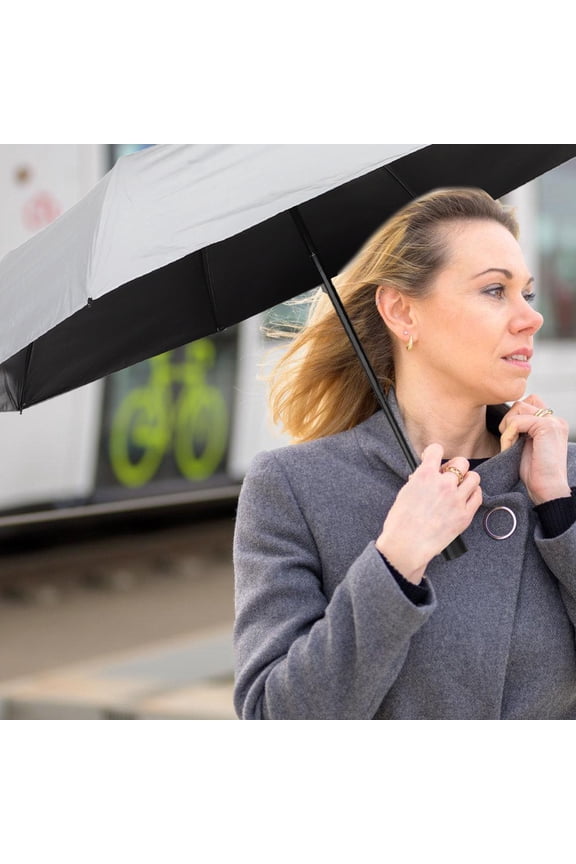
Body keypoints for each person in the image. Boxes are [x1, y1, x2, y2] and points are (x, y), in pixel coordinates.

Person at [233, 187, 576, 720]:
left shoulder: (563, 476)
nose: (530, 318)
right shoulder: (294, 488)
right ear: (401, 312)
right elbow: (275, 717)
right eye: (494, 290)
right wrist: (395, 561)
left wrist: (557, 507)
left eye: (526, 293)